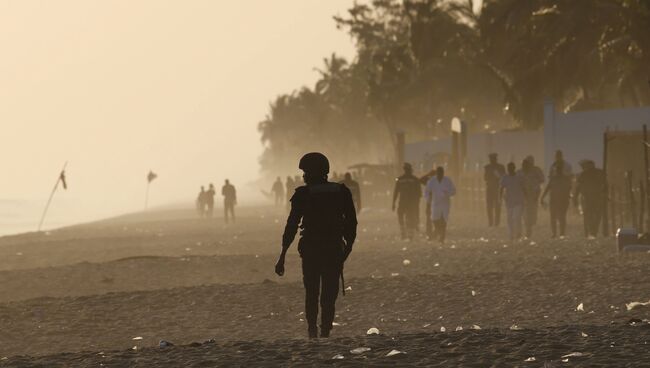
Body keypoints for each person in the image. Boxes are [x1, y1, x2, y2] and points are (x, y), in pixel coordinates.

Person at [274, 152, 357, 339]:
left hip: (311, 249)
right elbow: (352, 222)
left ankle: (312, 330)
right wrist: (348, 247)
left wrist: (282, 255)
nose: (303, 176)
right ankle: (325, 330)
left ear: (312, 173)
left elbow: (292, 225)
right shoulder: (341, 191)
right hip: (334, 248)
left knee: (311, 292)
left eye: (305, 172)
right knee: (329, 293)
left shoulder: (303, 194)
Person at [574, 160, 606, 238]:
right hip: (588, 197)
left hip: (594, 197)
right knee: (590, 215)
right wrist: (575, 197)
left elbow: (605, 184)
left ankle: (592, 231)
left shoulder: (597, 173)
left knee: (593, 215)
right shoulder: (585, 174)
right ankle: (591, 231)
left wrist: (575, 197)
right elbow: (579, 186)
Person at [541, 160, 572, 238]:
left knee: (561, 216)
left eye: (559, 170)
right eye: (557, 170)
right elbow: (547, 188)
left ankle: (561, 233)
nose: (558, 171)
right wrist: (542, 197)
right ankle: (555, 233)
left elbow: (569, 188)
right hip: (554, 200)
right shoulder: (553, 179)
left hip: (562, 200)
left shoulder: (565, 179)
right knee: (554, 217)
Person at [425, 166, 456, 243]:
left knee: (444, 219)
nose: (440, 175)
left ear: (443, 173)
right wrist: (428, 200)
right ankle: (438, 230)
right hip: (435, 203)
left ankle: (442, 236)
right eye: (439, 173)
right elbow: (427, 191)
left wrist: (448, 193)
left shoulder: (447, 180)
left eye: (441, 173)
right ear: (437, 173)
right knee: (435, 219)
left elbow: (454, 191)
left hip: (445, 203)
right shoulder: (432, 181)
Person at [392, 163, 422, 240]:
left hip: (409, 203)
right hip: (407, 202)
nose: (407, 171)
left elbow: (419, 193)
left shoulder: (403, 179)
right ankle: (405, 233)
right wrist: (393, 203)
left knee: (408, 217)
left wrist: (393, 203)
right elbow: (396, 192)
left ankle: (408, 234)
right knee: (404, 217)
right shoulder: (412, 179)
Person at [518, 156, 545, 238]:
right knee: (525, 214)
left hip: (533, 194)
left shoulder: (536, 171)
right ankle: (526, 231)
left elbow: (542, 180)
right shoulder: (519, 172)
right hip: (522, 195)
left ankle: (529, 228)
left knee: (532, 213)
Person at [500, 162, 526, 242]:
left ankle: (518, 233)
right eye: (509, 168)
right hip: (509, 202)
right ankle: (511, 235)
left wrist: (526, 197)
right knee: (509, 219)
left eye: (511, 167)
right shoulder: (505, 178)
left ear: (514, 168)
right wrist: (499, 198)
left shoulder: (519, 177)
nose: (510, 169)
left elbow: (524, 187)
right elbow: (501, 188)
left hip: (519, 201)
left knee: (517, 217)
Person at [484, 153, 506, 227]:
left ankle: (497, 222)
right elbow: (485, 178)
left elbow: (503, 177)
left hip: (498, 188)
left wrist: (497, 175)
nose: (492, 160)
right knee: (489, 206)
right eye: (491, 159)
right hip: (490, 188)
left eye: (493, 159)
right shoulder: (487, 167)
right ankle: (490, 222)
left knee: (497, 206)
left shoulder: (500, 167)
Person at [419, 167, 437, 240]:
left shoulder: (429, 181)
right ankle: (434, 233)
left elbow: (420, 180)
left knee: (429, 218)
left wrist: (428, 174)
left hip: (431, 202)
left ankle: (430, 233)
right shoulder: (438, 181)